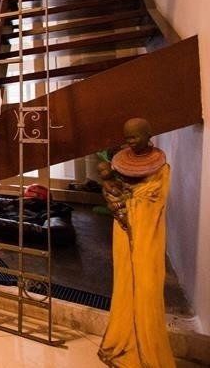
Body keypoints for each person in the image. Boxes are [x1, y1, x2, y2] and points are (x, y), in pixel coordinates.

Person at [98, 118, 174, 367]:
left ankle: (147, 351)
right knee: (124, 281)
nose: (130, 141)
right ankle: (125, 340)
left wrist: (126, 202)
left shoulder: (161, 169)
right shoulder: (121, 163)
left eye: (135, 136)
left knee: (147, 286)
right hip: (123, 230)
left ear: (148, 135)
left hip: (145, 232)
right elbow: (113, 187)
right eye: (127, 137)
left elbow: (154, 201)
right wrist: (114, 198)